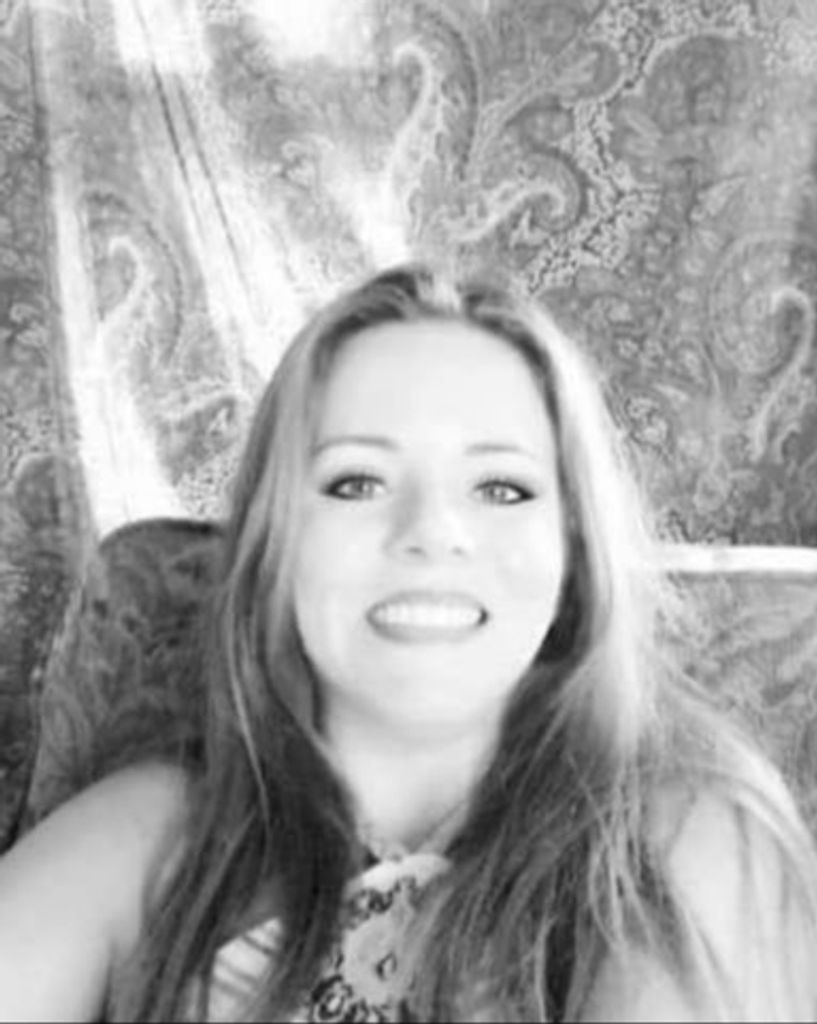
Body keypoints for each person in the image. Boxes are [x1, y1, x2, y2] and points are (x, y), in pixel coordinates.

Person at [0, 263, 815, 1022]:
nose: (431, 530)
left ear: (573, 549)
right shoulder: (150, 836)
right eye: (356, 482)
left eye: (502, 487)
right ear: (273, 545)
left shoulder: (684, 841)